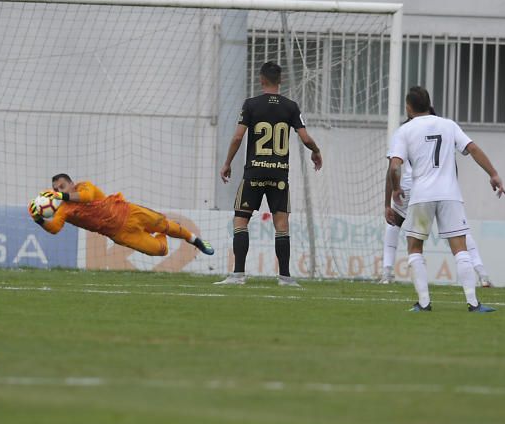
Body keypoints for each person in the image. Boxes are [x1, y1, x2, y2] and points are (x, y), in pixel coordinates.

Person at [386, 86, 505, 312]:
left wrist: (396, 188)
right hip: (450, 195)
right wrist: (493, 174)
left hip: (422, 196)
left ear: (408, 108)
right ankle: (473, 303)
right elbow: (473, 149)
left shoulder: (405, 131)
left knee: (414, 247)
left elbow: (394, 166)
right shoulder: (448, 125)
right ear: (428, 103)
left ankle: (424, 303)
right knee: (460, 248)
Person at [215, 61, 322, 287]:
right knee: (281, 224)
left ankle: (238, 275)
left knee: (241, 220)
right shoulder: (291, 107)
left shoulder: (251, 104)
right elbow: (305, 138)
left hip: (253, 172)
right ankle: (284, 277)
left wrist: (227, 163)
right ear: (280, 81)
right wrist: (316, 151)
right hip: (279, 175)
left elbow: (237, 137)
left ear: (261, 80)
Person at [382, 108, 493, 287]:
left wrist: (388, 202)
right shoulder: (445, 127)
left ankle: (388, 274)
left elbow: (393, 168)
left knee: (396, 225)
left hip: (413, 188)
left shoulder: (405, 130)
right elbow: (458, 161)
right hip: (443, 190)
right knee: (460, 233)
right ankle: (482, 274)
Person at [31, 174, 214, 258]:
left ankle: (195, 240)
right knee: (159, 251)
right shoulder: (63, 210)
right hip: (121, 234)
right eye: (55, 190)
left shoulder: (84, 187)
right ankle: (161, 235)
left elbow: (85, 197)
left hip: (129, 212)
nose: (58, 191)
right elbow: (54, 228)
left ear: (71, 183)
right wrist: (39, 219)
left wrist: (61, 196)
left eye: (61, 187)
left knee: (164, 224)